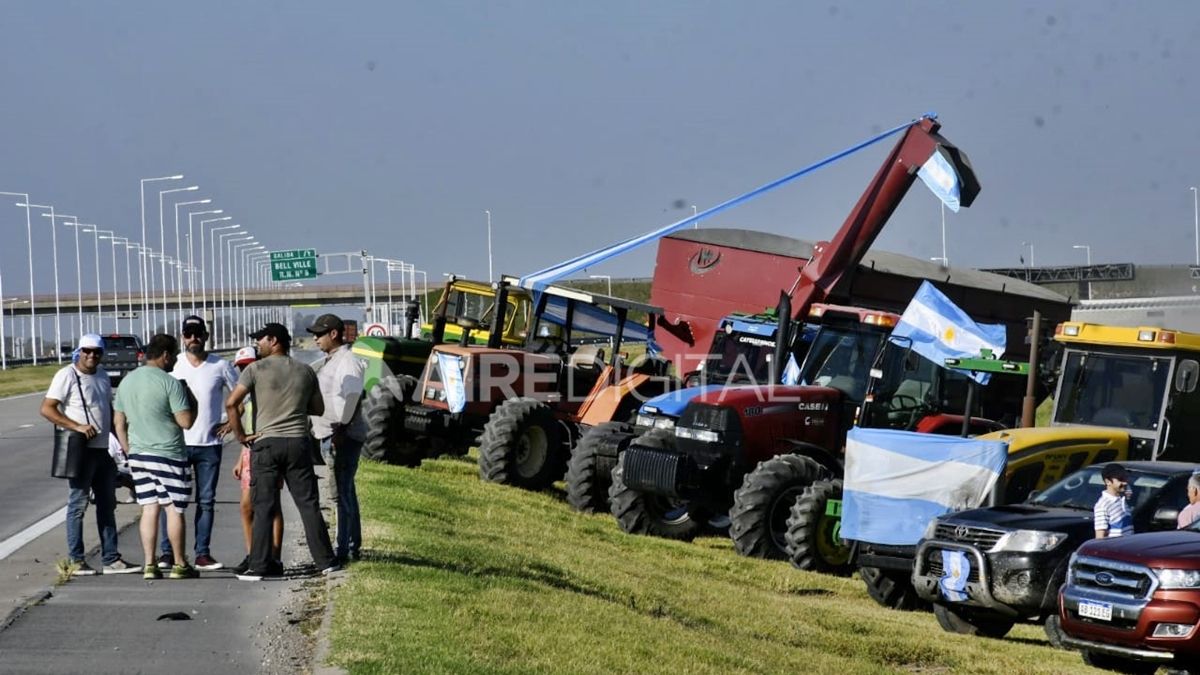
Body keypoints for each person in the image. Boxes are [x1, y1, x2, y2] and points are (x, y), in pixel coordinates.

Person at [225, 322, 339, 580]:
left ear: (274, 340)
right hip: (298, 442)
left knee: (263, 505)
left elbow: (231, 403)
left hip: (266, 443)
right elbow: (318, 408)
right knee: (308, 504)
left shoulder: (254, 369)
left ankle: (259, 565)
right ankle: (326, 561)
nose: (257, 344)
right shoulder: (306, 371)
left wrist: (241, 436)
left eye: (260, 339)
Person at [40, 334, 138, 575]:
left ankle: (111, 558)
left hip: (103, 450)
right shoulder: (67, 375)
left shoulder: (103, 375)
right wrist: (77, 426)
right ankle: (76, 559)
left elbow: (109, 411)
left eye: (96, 352)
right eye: (87, 351)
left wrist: (124, 442)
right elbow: (47, 408)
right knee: (78, 505)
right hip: (80, 450)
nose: (91, 355)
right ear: (79, 351)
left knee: (107, 504)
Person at [155, 316, 239, 571]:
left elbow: (240, 398)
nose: (193, 339)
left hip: (209, 445)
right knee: (170, 501)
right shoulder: (174, 365)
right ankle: (167, 553)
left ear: (205, 336)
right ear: (182, 337)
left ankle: (202, 553)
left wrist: (230, 425)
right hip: (176, 444)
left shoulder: (221, 365)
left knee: (206, 501)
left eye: (198, 333)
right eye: (188, 334)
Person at [113, 334, 199, 580]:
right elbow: (186, 422)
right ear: (165, 355)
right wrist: (192, 399)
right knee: (174, 509)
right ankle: (180, 563)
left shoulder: (127, 381)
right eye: (174, 356)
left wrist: (130, 450)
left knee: (149, 508)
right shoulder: (170, 383)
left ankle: (150, 564)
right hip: (168, 453)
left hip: (139, 454)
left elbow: (119, 423)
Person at [308, 313, 366, 564]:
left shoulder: (347, 361)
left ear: (334, 334)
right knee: (345, 492)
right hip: (332, 433)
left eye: (319, 334)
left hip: (341, 436)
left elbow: (353, 397)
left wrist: (341, 429)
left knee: (339, 494)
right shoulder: (332, 361)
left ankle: (344, 548)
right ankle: (350, 545)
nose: (315, 339)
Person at [229, 346, 285, 574]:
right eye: (241, 368)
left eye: (248, 366)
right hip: (250, 450)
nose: (245, 371)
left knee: (272, 503)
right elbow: (241, 416)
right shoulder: (245, 390)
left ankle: (274, 556)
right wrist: (240, 457)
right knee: (246, 506)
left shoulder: (269, 386)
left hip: (270, 446)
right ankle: (253, 554)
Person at [1094, 463, 1133, 539]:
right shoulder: (1102, 505)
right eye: (1120, 479)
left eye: (1125, 479)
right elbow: (1100, 537)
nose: (1125, 483)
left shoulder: (1122, 499)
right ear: (1108, 482)